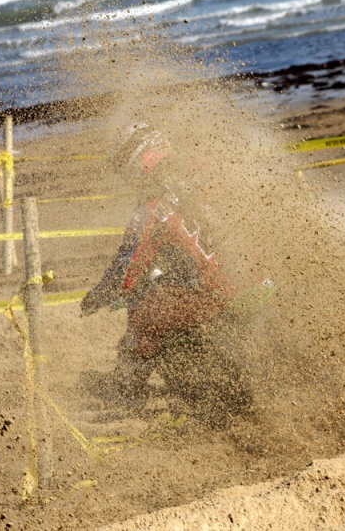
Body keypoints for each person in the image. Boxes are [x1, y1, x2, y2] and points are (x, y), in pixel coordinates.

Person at [80, 122, 253, 427]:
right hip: (245, 275)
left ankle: (126, 386)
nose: (125, 174)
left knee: (144, 308)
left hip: (209, 292)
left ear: (140, 158)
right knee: (159, 292)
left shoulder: (153, 206)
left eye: (124, 165)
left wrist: (97, 297)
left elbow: (128, 266)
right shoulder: (196, 178)